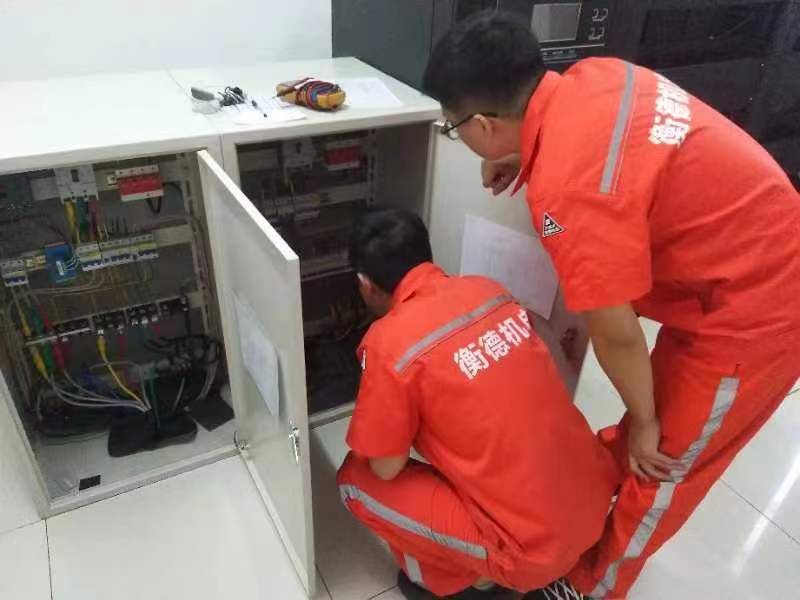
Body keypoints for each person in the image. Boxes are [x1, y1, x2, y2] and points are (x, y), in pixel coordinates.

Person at [421, 10, 800, 599]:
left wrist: (647, 424)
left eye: (454, 127)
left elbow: (616, 333)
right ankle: (583, 510)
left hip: (761, 307)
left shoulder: (568, 189)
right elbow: (615, 155)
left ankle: (591, 586)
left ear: (485, 124)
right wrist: (515, 152)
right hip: (736, 259)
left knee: (664, 460)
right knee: (648, 424)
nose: (458, 137)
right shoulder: (595, 76)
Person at [336, 208, 621, 599]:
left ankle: (463, 582)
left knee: (356, 479)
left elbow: (386, 468)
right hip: (595, 503)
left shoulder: (389, 344)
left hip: (532, 551)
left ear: (365, 284)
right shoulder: (489, 291)